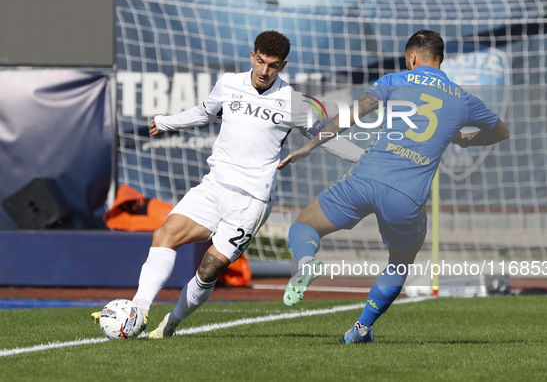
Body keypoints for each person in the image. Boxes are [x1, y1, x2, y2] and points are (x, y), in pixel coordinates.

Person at [92, 30, 363, 338]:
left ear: (282, 66)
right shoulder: (228, 84)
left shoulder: (293, 102)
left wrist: (365, 158)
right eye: (260, 61)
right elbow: (204, 113)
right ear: (252, 56)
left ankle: (171, 323)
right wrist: (168, 121)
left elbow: (325, 137)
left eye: (272, 65)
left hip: (250, 202)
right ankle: (139, 310)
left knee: (208, 269)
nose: (264, 71)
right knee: (164, 234)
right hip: (214, 186)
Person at [277, 30, 510, 344]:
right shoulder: (464, 99)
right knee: (400, 261)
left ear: (412, 57)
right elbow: (501, 132)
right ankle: (360, 329)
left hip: (366, 177)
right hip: (406, 195)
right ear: (440, 60)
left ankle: (306, 262)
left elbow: (351, 116)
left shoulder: (392, 81)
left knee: (304, 224)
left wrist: (310, 146)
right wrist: (468, 141)